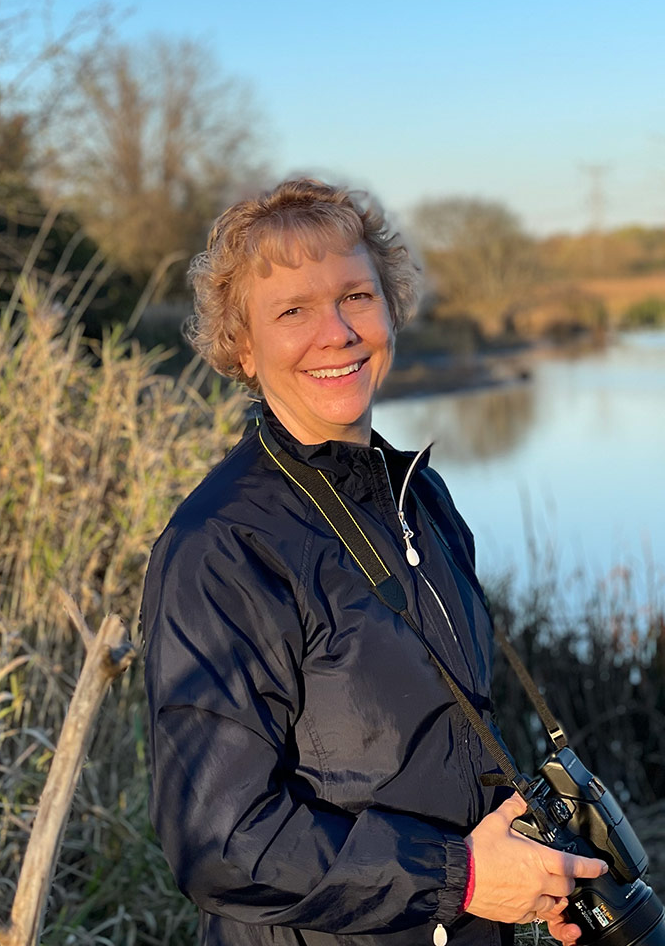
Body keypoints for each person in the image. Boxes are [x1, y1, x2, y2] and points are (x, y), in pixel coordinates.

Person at [141, 178, 607, 946]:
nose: (337, 332)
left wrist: (525, 882)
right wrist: (458, 878)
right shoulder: (220, 545)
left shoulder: (422, 500)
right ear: (243, 346)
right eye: (292, 310)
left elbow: (440, 750)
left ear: (390, 309)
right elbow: (217, 840)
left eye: (356, 297)